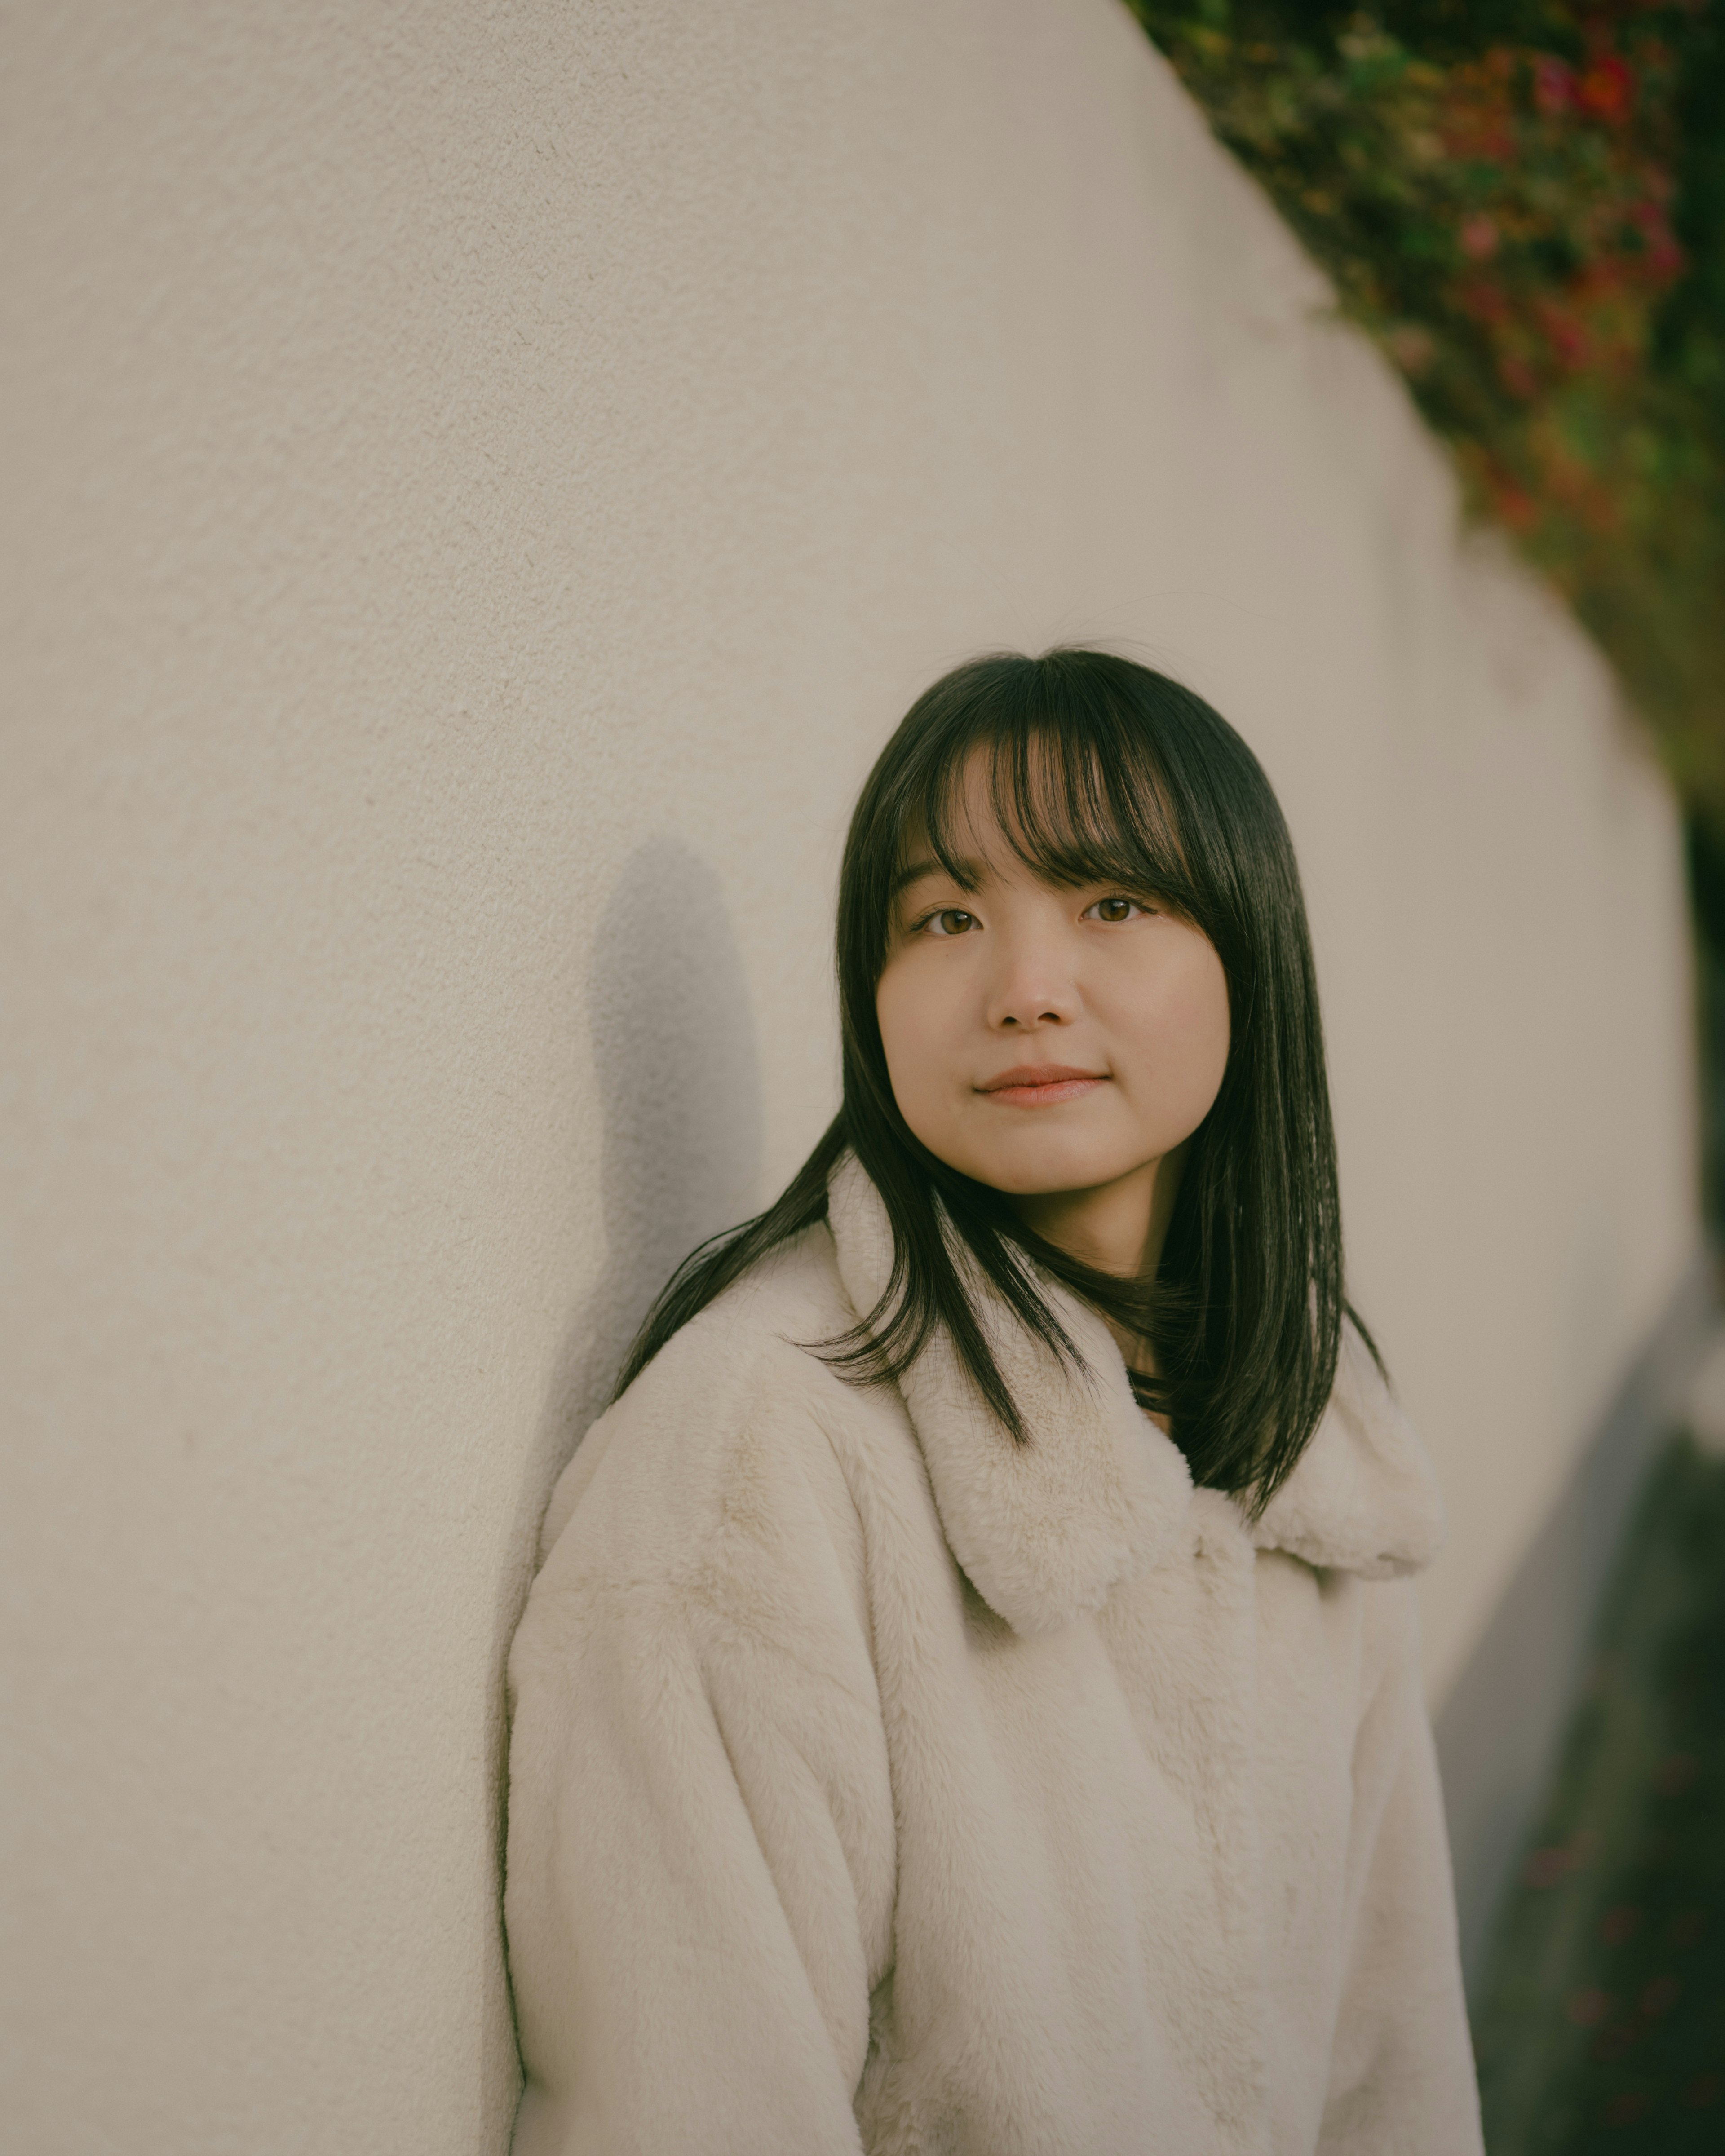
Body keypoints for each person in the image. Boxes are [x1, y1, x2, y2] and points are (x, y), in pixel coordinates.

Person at [503, 648, 1484, 2155]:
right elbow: (688, 2099)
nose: (1024, 991)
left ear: (1249, 952)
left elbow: (1389, 2068)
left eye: (1110, 902)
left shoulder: (1308, 1434)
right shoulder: (762, 1440)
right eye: (946, 918)